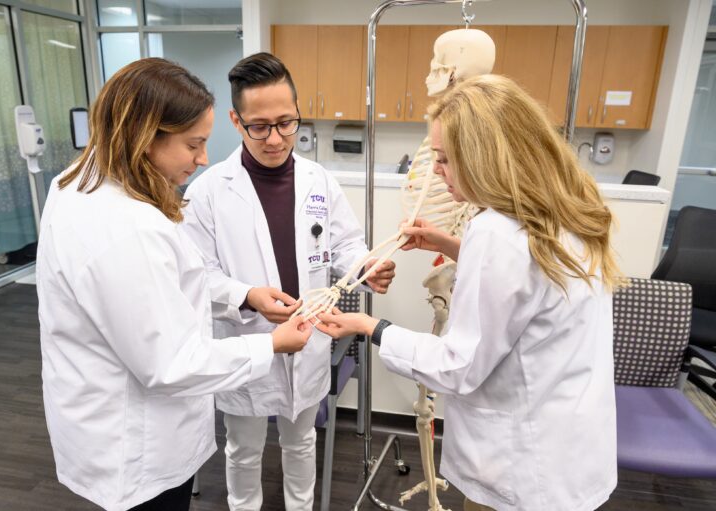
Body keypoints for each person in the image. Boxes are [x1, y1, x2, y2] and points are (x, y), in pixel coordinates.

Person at [316, 74, 621, 511]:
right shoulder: (568, 205)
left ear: (484, 157)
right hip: (568, 447)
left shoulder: (496, 233)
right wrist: (452, 245)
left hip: (522, 467)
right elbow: (534, 282)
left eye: (444, 159)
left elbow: (458, 366)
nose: (436, 173)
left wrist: (371, 326)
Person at [36, 58, 312, 511]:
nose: (202, 158)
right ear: (146, 134)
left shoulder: (75, 185)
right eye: (193, 144)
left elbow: (159, 290)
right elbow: (170, 363)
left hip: (100, 419)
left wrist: (243, 294)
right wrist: (271, 346)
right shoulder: (128, 227)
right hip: (137, 444)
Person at [181, 52, 395, 511]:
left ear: (298, 113)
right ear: (237, 122)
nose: (276, 138)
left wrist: (367, 267)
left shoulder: (320, 181)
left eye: (286, 122)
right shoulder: (208, 192)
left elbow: (345, 247)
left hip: (307, 337)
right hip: (245, 337)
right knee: (244, 447)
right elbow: (198, 275)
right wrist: (249, 297)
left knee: (302, 441)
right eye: (260, 126)